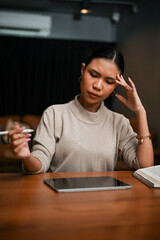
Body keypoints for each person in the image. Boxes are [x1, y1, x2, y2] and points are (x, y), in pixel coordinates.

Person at [8, 46, 154, 174]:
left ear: (115, 86)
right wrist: (27, 156)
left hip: (102, 199)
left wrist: (140, 112)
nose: (97, 85)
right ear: (83, 70)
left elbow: (144, 166)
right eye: (93, 75)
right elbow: (40, 165)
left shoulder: (118, 122)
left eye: (108, 81)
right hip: (59, 200)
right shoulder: (54, 114)